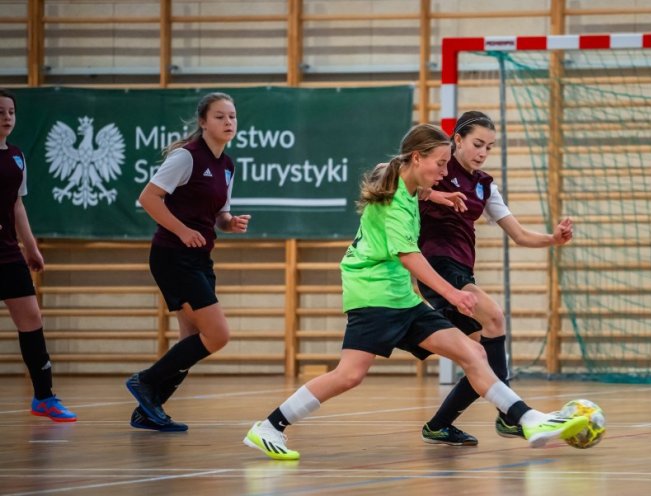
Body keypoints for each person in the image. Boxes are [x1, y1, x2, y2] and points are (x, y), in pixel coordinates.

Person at [242, 124, 588, 460]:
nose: (443, 171)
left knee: (473, 353)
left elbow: (412, 185)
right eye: (439, 164)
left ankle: (529, 421)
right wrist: (453, 295)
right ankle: (270, 426)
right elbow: (410, 257)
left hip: (401, 297)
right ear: (417, 157)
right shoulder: (393, 204)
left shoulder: (406, 182)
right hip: (373, 294)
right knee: (349, 375)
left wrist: (436, 192)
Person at [416, 111, 574, 446]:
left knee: (479, 360)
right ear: (456, 139)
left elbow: (518, 234)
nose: (483, 152)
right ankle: (510, 416)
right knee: (495, 316)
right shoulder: (436, 168)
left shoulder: (485, 185)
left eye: (489, 146)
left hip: (461, 269)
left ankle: (439, 425)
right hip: (436, 266)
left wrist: (553, 239)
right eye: (477, 144)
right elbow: (396, 181)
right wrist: (434, 194)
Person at [126, 92, 250, 432]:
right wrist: (181, 231)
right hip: (172, 256)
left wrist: (229, 222)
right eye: (220, 117)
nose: (228, 123)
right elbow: (148, 198)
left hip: (199, 256)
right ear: (203, 122)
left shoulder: (226, 165)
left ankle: (148, 411)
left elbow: (219, 214)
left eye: (232, 117)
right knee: (218, 334)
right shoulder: (186, 157)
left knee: (191, 338)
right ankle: (145, 382)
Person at [0, 89, 77, 422]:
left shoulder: (16, 156)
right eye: (0, 111)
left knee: (31, 320)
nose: (6, 117)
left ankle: (44, 398)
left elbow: (17, 204)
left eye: (11, 112)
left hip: (7, 254)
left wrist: (30, 247)